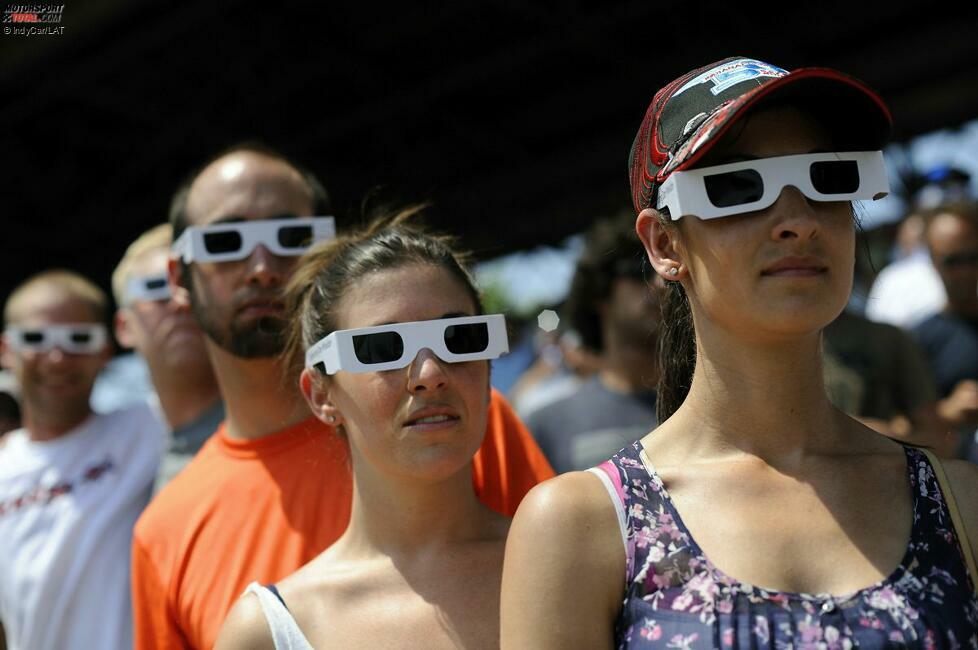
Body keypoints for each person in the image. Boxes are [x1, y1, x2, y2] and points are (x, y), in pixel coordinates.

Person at [501, 57, 978, 648]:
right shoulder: (582, 526)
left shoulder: (958, 502)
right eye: (736, 188)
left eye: (828, 177)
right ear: (664, 243)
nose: (798, 221)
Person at [131, 144, 553, 650]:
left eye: (292, 236)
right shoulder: (166, 533)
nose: (263, 265)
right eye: (225, 241)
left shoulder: (466, 423)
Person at [216, 212, 510, 648]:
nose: (430, 373)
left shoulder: (584, 562)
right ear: (320, 395)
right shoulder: (266, 631)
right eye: (382, 348)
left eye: (459, 338)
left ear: (487, 370)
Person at [0, 270, 163, 650]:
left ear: (105, 351)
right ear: (5, 350)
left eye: (78, 339)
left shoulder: (147, 427)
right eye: (36, 339)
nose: (57, 358)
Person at [526, 213, 659, 473]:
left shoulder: (713, 407)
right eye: (638, 269)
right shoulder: (548, 424)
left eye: (663, 267)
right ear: (600, 292)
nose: (659, 282)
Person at [112, 223, 224, 489]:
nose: (178, 302)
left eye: (190, 287)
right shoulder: (115, 457)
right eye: (156, 289)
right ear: (124, 328)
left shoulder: (279, 421)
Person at [912, 202, 978, 441]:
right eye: (953, 261)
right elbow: (897, 425)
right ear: (933, 262)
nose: (966, 271)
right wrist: (947, 411)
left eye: (973, 257)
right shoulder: (918, 339)